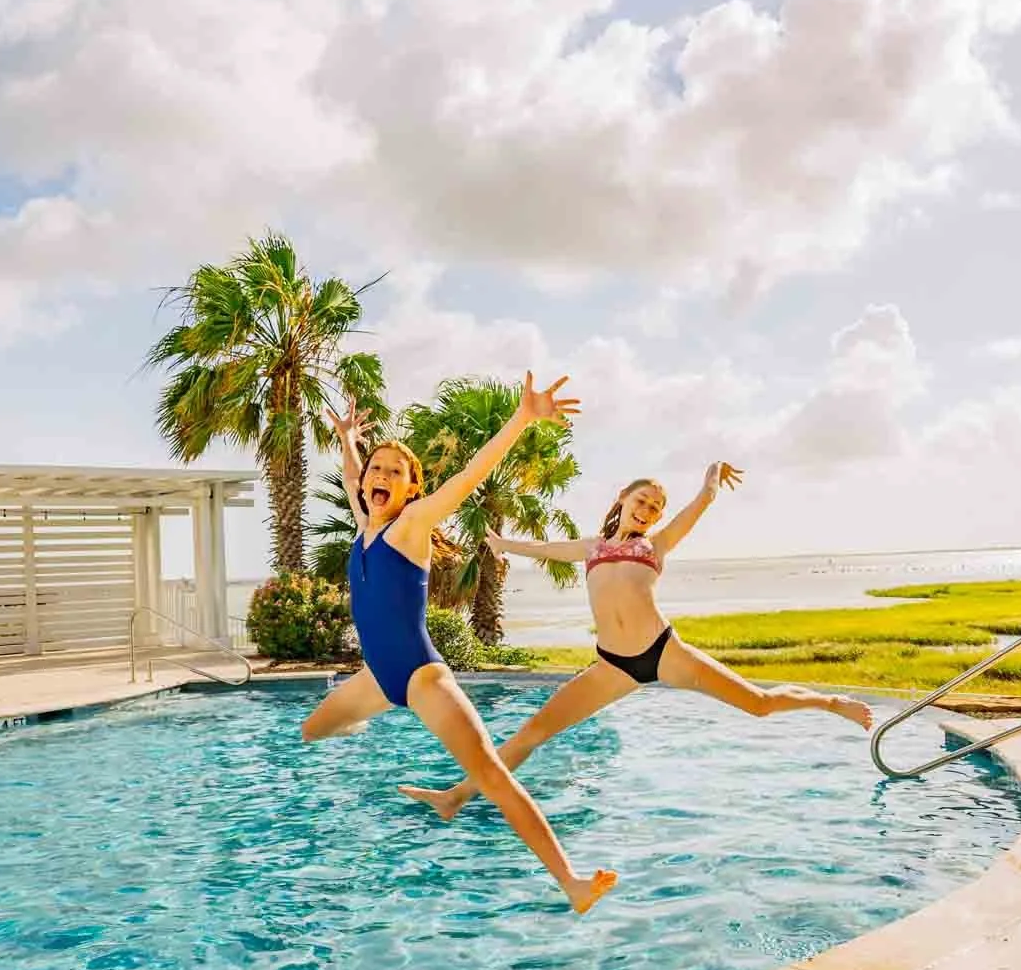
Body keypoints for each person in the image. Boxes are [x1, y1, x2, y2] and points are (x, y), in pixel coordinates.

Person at [299, 372, 621, 914]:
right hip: (378, 679)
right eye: (376, 469)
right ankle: (384, 764)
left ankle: (571, 882)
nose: (380, 476)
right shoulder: (365, 522)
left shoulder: (411, 525)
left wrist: (521, 419)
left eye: (395, 472)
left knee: (491, 773)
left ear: (412, 489)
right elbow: (356, 474)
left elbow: (469, 478)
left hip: (422, 678)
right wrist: (350, 439)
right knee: (311, 731)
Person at [401, 461, 874, 821]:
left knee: (760, 704)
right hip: (611, 666)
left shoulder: (657, 545)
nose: (647, 511)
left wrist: (710, 482)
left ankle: (831, 702)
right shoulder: (592, 548)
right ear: (622, 499)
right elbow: (543, 549)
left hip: (664, 653)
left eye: (654, 508)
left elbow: (699, 506)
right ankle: (455, 796)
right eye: (642, 501)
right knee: (533, 732)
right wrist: (503, 546)